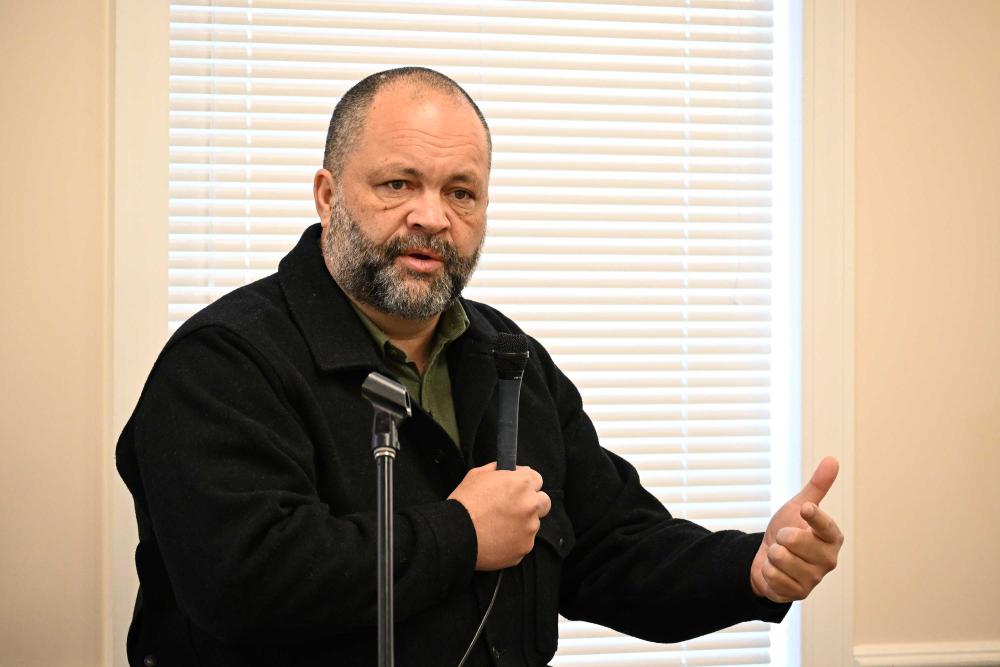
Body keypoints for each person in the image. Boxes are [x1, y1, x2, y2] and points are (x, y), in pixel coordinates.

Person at [116, 67, 843, 667]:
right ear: (328, 196)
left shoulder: (509, 359)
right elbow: (246, 583)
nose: (433, 217)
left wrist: (751, 568)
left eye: (460, 192)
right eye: (398, 184)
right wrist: (461, 533)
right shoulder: (221, 364)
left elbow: (610, 547)